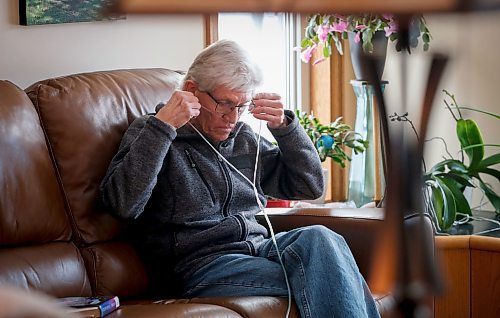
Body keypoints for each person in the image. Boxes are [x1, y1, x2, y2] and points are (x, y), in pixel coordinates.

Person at [100, 39, 380, 318]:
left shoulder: (243, 139)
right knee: (330, 273)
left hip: (259, 250)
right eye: (225, 104)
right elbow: (122, 204)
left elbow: (310, 186)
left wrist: (285, 129)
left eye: (242, 106)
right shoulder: (152, 132)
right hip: (200, 267)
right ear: (191, 91)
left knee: (321, 238)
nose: (232, 117)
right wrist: (163, 127)